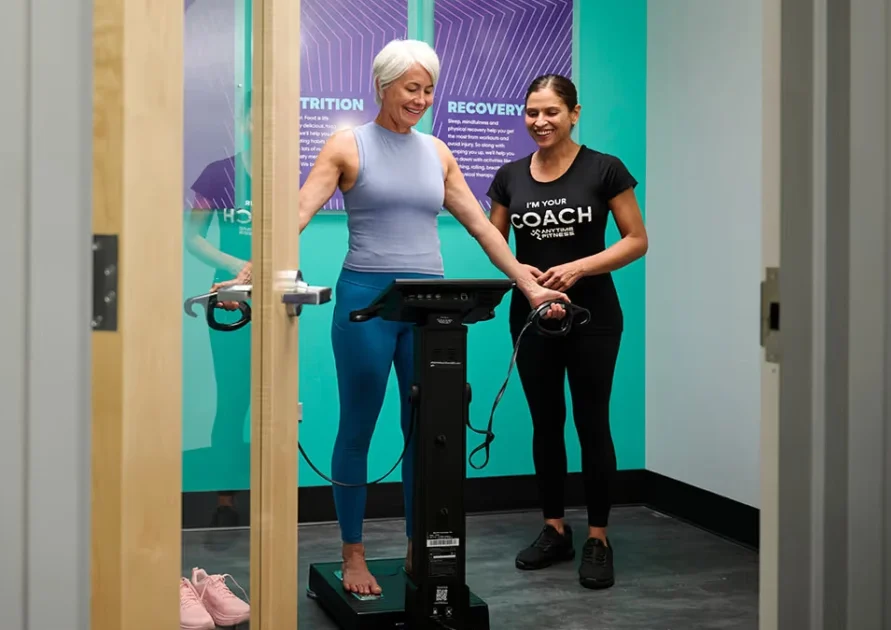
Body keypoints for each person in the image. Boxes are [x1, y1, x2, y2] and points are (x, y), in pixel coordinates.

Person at [210, 39, 569, 597]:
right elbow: (297, 214)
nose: (421, 99)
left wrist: (528, 283)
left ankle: (415, 545)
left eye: (428, 90)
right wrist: (250, 272)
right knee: (358, 427)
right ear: (383, 87)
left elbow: (481, 227)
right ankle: (352, 555)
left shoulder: (438, 152)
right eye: (411, 89)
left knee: (426, 434)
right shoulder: (348, 145)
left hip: (430, 309)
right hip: (367, 304)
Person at [487, 73, 648, 590]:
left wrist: (579, 269)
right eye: (532, 112)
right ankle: (554, 529)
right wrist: (525, 280)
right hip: (531, 315)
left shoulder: (604, 169)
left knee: (591, 423)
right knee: (546, 423)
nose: (540, 121)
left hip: (594, 316)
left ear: (574, 113)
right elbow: (495, 242)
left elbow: (635, 240)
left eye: (552, 111)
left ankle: (598, 537)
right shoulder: (510, 175)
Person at [185, 92, 254, 537]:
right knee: (232, 399)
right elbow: (193, 239)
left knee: (275, 402)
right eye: (256, 117)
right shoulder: (218, 173)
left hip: (278, 298)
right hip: (228, 298)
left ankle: (272, 497)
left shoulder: (290, 176)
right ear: (244, 120)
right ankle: (226, 499)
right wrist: (236, 268)